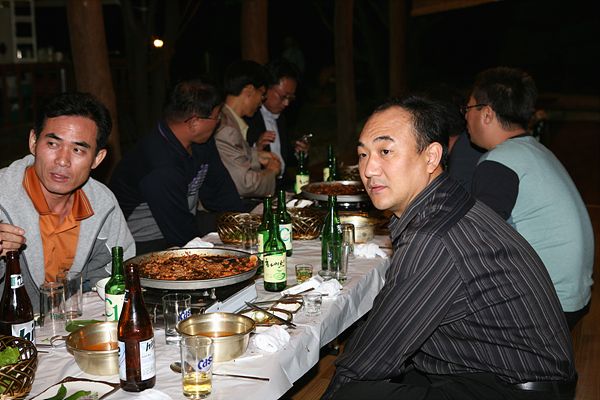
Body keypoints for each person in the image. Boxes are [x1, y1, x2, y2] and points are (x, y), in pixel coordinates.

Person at [323, 95, 576, 400]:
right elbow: (385, 321)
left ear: (431, 157)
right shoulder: (448, 202)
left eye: (385, 151)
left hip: (515, 388)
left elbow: (374, 356)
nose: (369, 169)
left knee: (353, 393)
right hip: (498, 369)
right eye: (363, 154)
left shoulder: (435, 236)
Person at [466, 67, 594, 329]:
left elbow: (475, 243)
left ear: (486, 113)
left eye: (467, 108)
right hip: (573, 296)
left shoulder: (499, 161)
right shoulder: (535, 150)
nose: (465, 117)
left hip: (546, 303)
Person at [0, 92, 135, 311]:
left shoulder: (103, 204)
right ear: (33, 142)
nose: (63, 160)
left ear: (97, 158)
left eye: (78, 150)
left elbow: (114, 276)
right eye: (53, 144)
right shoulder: (3, 197)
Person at [109, 80, 246, 254]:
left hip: (182, 221)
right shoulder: (159, 164)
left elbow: (220, 191)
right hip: (143, 243)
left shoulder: (202, 142)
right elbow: (181, 235)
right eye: (217, 117)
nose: (219, 122)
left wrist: (243, 225)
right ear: (194, 122)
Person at [214, 60, 281, 200]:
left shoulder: (228, 119)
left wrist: (256, 156)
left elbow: (232, 158)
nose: (261, 102)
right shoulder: (226, 128)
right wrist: (272, 171)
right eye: (262, 94)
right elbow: (244, 184)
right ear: (249, 90)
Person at [245, 59, 309, 191]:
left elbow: (283, 157)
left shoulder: (281, 118)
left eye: (290, 98)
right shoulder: (248, 117)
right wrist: (256, 147)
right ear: (265, 88)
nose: (286, 103)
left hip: (283, 186)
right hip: (258, 189)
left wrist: (299, 153)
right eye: (283, 96)